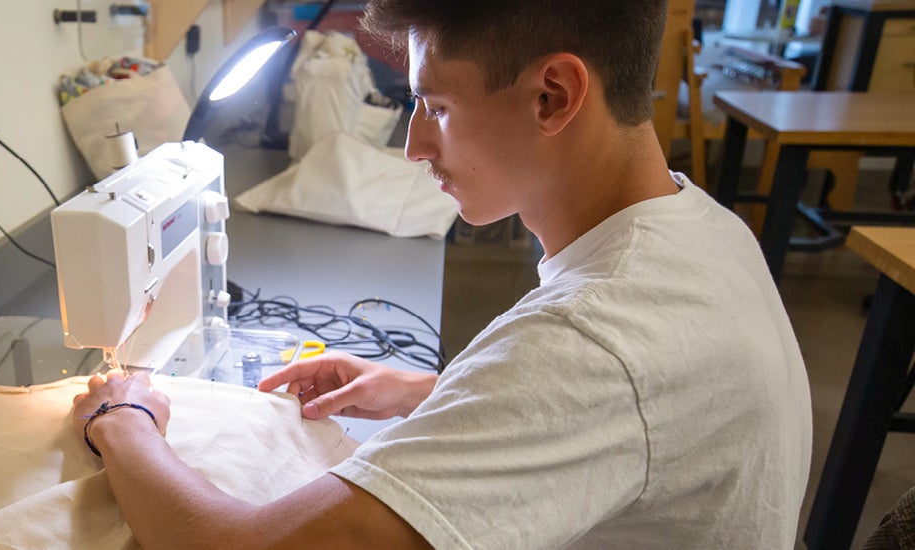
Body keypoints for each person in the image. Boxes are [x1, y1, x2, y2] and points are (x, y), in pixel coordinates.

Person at [71, 0, 812, 547]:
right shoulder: (703, 227)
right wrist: (442, 392)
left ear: (553, 94)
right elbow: (632, 415)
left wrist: (126, 423)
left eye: (436, 104)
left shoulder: (594, 343)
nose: (415, 146)